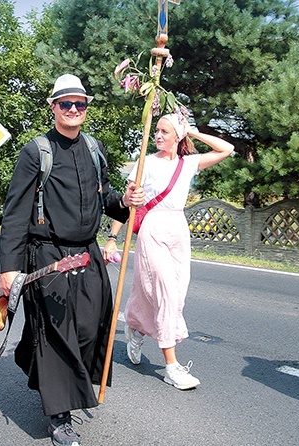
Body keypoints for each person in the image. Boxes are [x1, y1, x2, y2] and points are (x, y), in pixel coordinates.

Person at [0, 75, 144, 446]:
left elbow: (106, 198)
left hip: (88, 252)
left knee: (92, 326)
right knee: (58, 332)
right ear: (54, 108)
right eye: (66, 104)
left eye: (80, 104)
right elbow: (15, 213)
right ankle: (59, 416)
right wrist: (10, 269)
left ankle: (46, 376)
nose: (74, 110)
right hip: (48, 254)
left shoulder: (95, 149)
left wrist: (125, 202)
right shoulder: (37, 151)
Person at [104, 112, 234, 390]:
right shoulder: (146, 163)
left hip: (178, 230)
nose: (159, 136)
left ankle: (137, 326)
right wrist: (112, 237)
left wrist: (192, 131)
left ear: (178, 136)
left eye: (165, 131)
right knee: (165, 294)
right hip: (152, 228)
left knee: (173, 293)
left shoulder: (188, 164)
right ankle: (172, 366)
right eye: (157, 131)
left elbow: (227, 149)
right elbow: (129, 203)